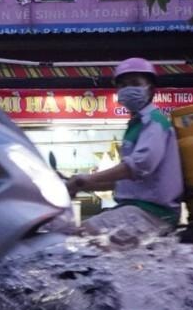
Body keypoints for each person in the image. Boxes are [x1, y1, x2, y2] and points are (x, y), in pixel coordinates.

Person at [67, 57, 183, 243]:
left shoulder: (154, 121)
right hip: (136, 210)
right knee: (82, 237)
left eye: (135, 83)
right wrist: (79, 185)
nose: (128, 89)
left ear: (151, 89)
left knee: (84, 238)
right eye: (122, 85)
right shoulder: (136, 125)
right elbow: (128, 182)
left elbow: (139, 165)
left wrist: (87, 179)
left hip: (153, 213)